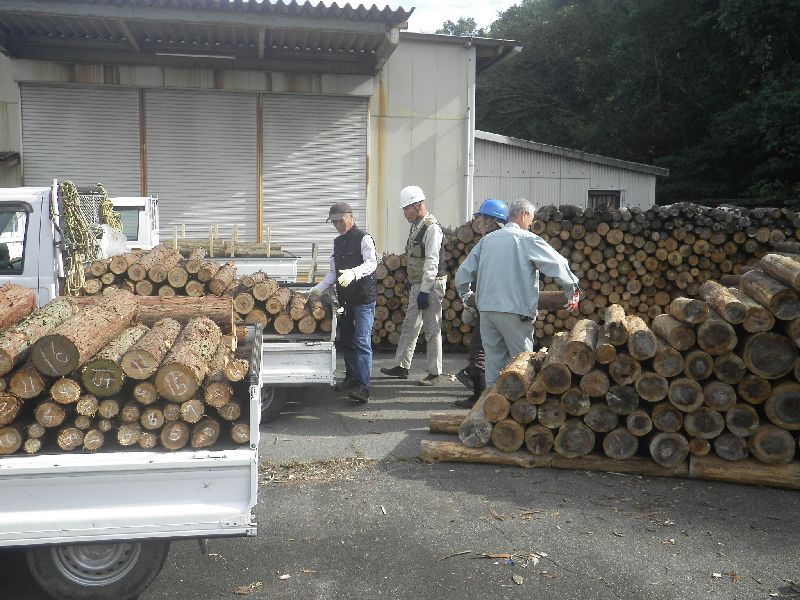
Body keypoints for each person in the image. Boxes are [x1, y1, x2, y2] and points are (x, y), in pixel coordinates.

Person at [455, 199, 580, 390]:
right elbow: (558, 264)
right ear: (524, 215)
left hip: (487, 311)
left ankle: (490, 409)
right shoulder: (526, 239)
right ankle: (520, 413)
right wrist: (573, 288)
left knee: (493, 366)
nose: (531, 223)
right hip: (515, 312)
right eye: (531, 218)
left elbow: (463, 274)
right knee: (522, 364)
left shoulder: (487, 240)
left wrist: (466, 296)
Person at [309, 202, 377, 403]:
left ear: (351, 217)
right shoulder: (337, 243)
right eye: (334, 222)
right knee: (347, 339)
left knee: (362, 341)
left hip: (363, 299)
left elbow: (372, 263)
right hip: (345, 300)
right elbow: (332, 273)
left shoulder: (363, 238)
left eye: (340, 220)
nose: (338, 225)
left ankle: (364, 387)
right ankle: (351, 377)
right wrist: (318, 288)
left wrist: (354, 273)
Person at [380, 185, 447, 386]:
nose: (404, 213)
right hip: (418, 284)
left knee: (432, 328)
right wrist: (412, 283)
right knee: (410, 325)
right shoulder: (417, 226)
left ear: (418, 205)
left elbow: (432, 261)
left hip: (431, 285)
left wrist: (425, 290)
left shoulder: (431, 228)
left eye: (406, 208)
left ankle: (435, 373)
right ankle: (402, 366)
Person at [453, 198, 509, 408]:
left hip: (488, 305)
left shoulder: (487, 243)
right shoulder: (513, 241)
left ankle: (479, 397)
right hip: (509, 306)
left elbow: (470, 274)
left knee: (479, 350)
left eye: (483, 219)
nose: (480, 224)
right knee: (503, 352)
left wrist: (469, 301)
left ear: (492, 221)